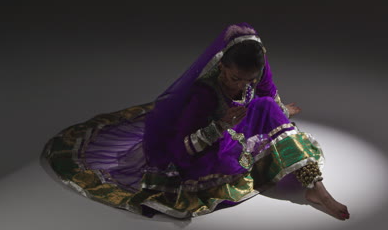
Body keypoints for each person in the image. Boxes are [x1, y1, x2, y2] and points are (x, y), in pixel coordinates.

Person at [41, 22, 350, 220]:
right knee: (265, 117)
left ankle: (317, 190)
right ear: (222, 67)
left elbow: (266, 90)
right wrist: (220, 125)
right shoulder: (205, 92)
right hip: (206, 142)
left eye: (247, 80)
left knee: (270, 106)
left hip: (234, 126)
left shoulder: (252, 72)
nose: (239, 86)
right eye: (232, 77)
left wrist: (278, 110)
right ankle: (304, 180)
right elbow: (180, 150)